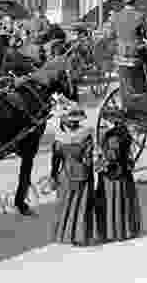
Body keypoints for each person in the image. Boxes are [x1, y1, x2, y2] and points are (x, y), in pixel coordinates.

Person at [49, 104, 95, 246]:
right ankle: (79, 236)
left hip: (66, 175)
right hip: (81, 174)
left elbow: (55, 159)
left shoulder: (58, 138)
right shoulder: (86, 135)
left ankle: (65, 235)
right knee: (80, 206)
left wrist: (54, 175)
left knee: (65, 206)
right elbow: (88, 159)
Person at [94, 121, 142, 242]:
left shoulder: (108, 138)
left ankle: (108, 230)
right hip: (120, 174)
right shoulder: (123, 138)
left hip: (112, 174)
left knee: (110, 201)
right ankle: (123, 229)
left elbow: (110, 156)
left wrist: (103, 162)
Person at [114, 0, 147, 103]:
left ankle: (126, 97)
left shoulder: (116, 16)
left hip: (120, 55)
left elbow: (111, 34)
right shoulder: (140, 16)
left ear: (124, 2)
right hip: (135, 54)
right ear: (134, 2)